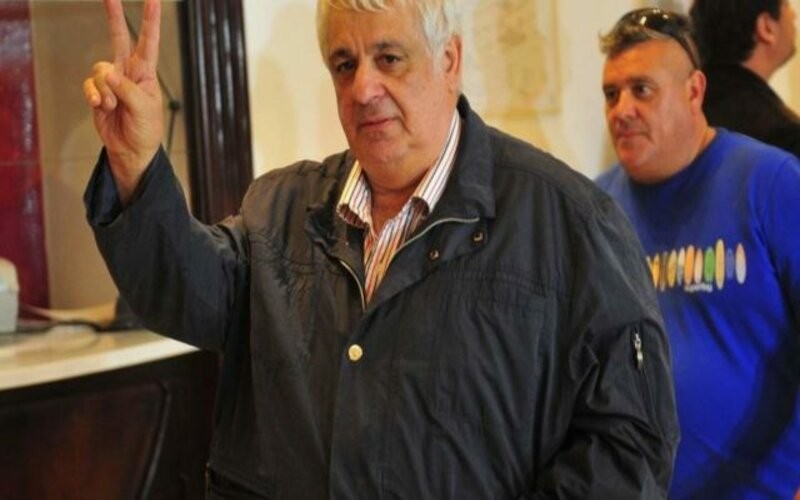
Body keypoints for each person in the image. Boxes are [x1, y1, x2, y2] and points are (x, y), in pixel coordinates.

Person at [82, 0, 679, 497]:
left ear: (450, 60)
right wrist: (137, 167)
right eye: (345, 64)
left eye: (389, 58)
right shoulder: (281, 210)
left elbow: (630, 443)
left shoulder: (569, 222)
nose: (364, 88)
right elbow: (186, 291)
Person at [597, 7, 800, 499]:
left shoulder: (770, 182)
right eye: (611, 93)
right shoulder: (595, 210)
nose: (622, 109)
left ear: (694, 91)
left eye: (642, 89)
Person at [690, 0, 800, 157]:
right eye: (786, 5)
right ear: (766, 27)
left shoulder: (686, 104)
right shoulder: (784, 135)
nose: (794, 15)